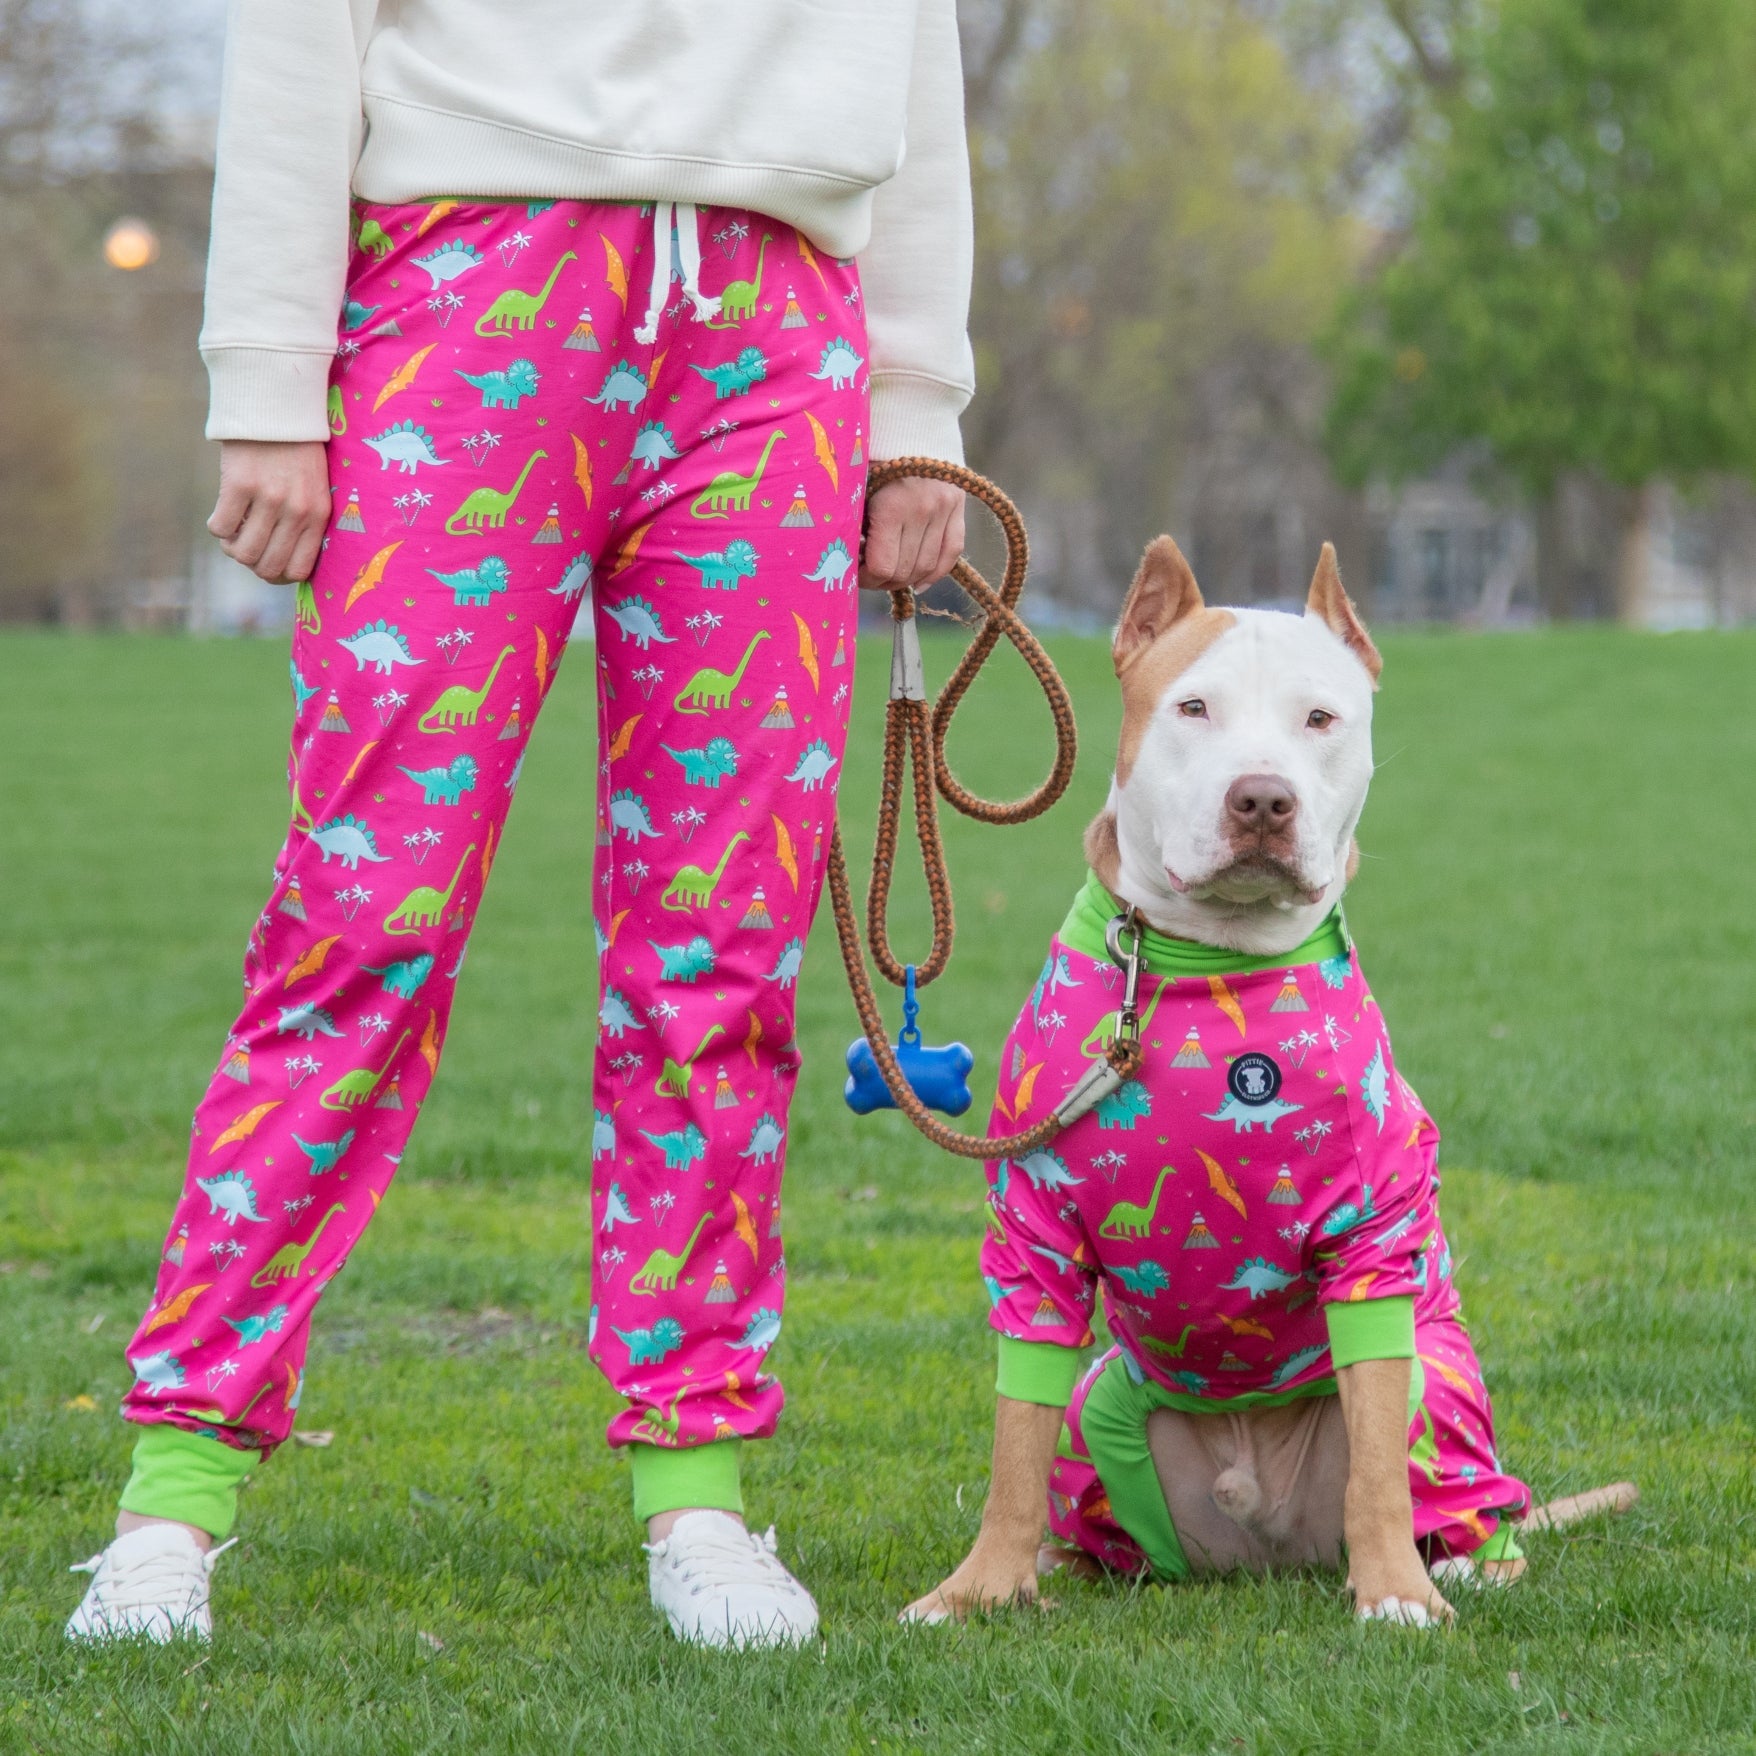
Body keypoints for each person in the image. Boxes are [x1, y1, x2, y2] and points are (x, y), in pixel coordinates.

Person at [66, 0, 972, 1651]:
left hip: (780, 327)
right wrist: (269, 370)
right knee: (364, 917)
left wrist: (917, 405)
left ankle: (698, 1493)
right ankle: (173, 1495)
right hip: (470, 291)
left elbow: (909, 40)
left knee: (722, 955)